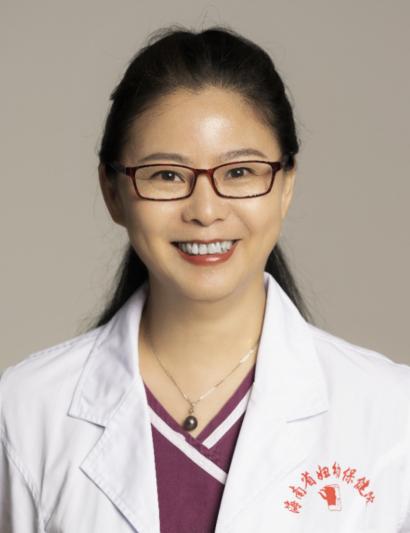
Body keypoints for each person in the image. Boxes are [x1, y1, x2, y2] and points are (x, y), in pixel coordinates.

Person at [1, 24, 409, 533]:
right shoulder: (24, 411)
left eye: (239, 172)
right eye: (166, 175)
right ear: (112, 192)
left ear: (286, 185)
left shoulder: (392, 414)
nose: (206, 210)